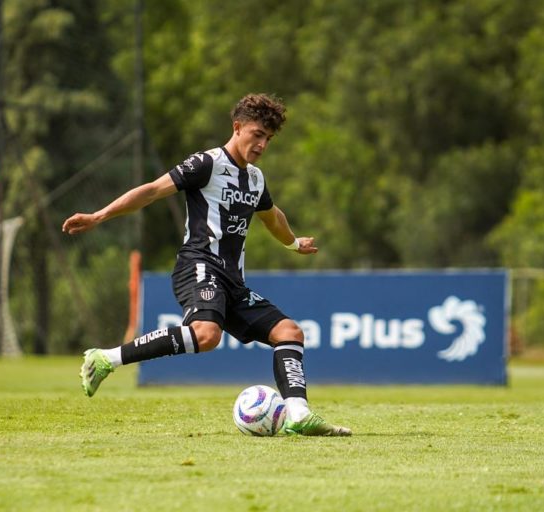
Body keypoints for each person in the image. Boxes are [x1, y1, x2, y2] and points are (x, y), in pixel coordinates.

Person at [62, 93, 351, 436]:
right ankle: (106, 358)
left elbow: (272, 217)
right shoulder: (207, 164)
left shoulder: (255, 179)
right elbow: (152, 190)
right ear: (237, 127)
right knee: (207, 334)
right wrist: (99, 216)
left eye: (269, 139)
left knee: (289, 332)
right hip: (198, 265)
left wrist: (293, 243)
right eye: (257, 134)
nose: (262, 145)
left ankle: (298, 414)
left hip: (233, 282)